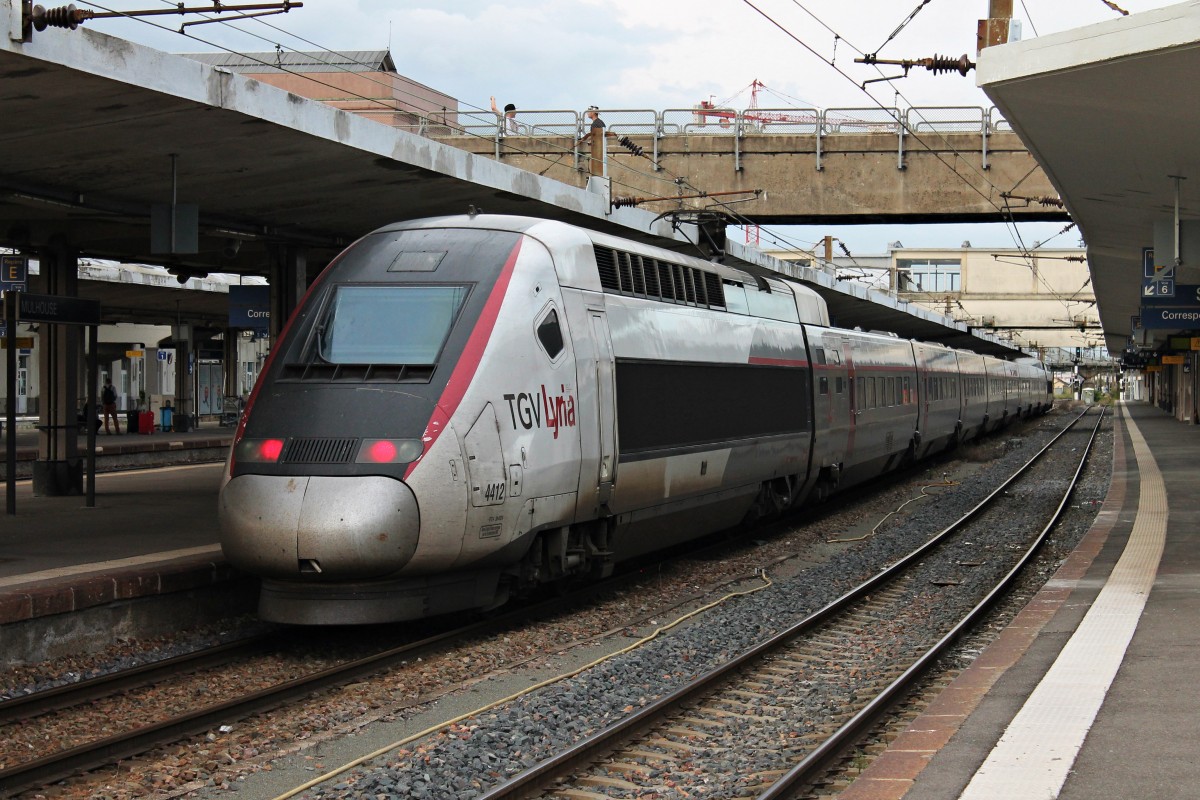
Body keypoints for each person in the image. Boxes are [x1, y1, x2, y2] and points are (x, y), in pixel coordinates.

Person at [577, 106, 610, 177]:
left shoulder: (594, 124)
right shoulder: (601, 122)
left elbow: (594, 137)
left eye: (589, 112)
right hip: (602, 149)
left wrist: (589, 141)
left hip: (598, 152)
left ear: (593, 113)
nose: (587, 113)